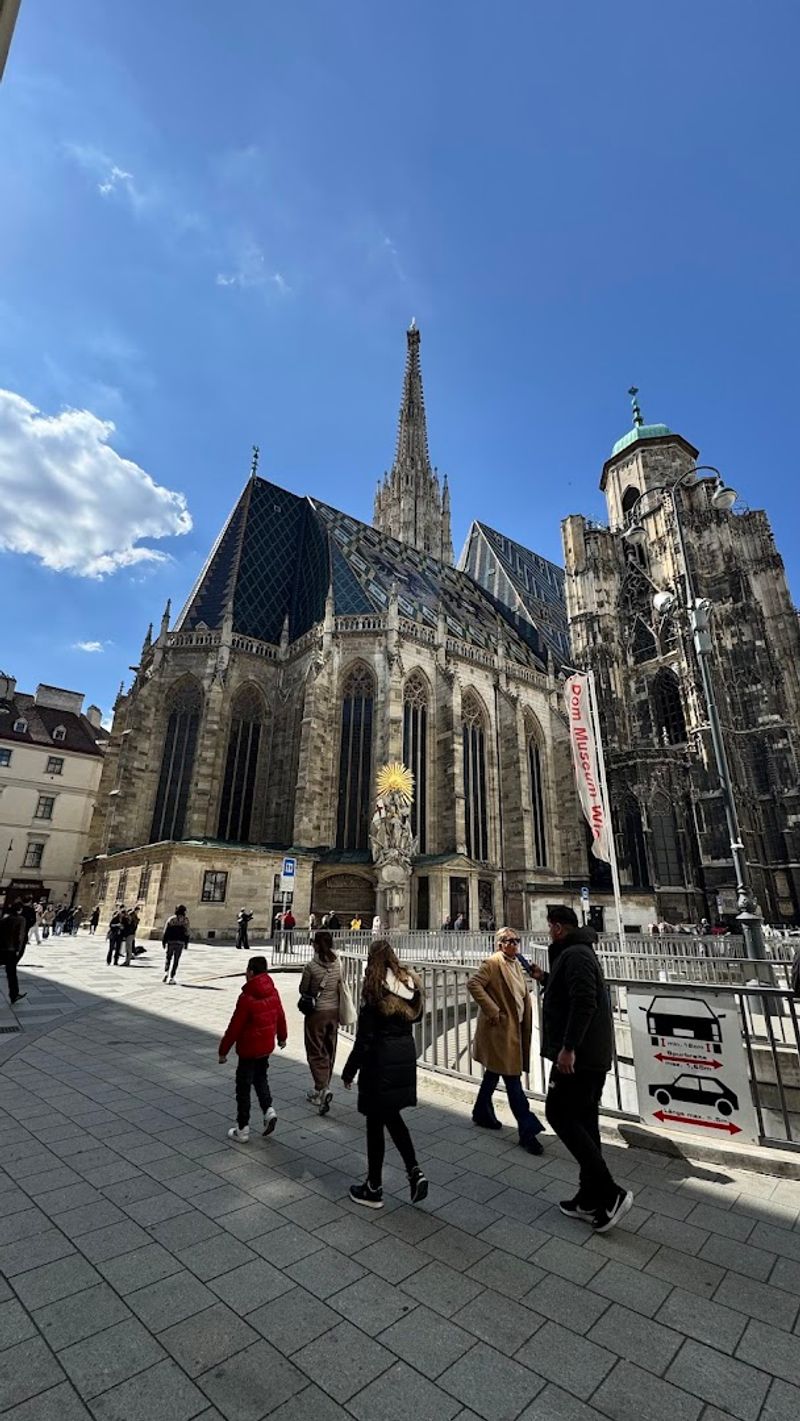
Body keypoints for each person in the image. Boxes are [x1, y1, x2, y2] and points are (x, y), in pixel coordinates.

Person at [531, 905, 633, 1234]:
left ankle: (610, 1192)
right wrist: (544, 978)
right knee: (585, 1122)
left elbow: (584, 1001)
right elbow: (571, 992)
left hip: (580, 1057)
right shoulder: (576, 952)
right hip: (589, 1055)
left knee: (558, 1114)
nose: (548, 932)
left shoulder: (574, 955)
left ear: (559, 928)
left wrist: (568, 1047)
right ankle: (589, 1198)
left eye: (550, 927)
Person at [342, 939, 428, 1209]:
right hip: (403, 1058)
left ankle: (374, 1187)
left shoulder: (375, 991)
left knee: (375, 1125)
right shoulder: (409, 986)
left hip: (379, 1063)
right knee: (392, 1117)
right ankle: (414, 1170)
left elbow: (364, 1040)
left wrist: (348, 1070)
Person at [467, 927, 545, 1154]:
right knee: (513, 1081)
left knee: (493, 1074)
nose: (514, 944)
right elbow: (473, 984)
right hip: (500, 1031)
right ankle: (527, 1130)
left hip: (513, 1030)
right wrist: (493, 1010)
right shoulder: (493, 963)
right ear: (499, 944)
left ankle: (481, 1111)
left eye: (516, 941)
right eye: (509, 941)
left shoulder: (516, 964)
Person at [218, 956, 287, 1142]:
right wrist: (282, 1037)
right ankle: (269, 1111)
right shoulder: (274, 992)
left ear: (251, 972)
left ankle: (242, 1128)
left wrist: (223, 1051)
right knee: (261, 1078)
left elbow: (235, 1027)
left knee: (243, 1088)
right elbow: (280, 1015)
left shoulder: (246, 997)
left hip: (248, 1049)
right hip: (265, 1046)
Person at [300, 930, 343, 1113]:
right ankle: (323, 1086)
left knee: (315, 1050)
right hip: (334, 1012)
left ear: (316, 945)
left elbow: (303, 989)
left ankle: (321, 1088)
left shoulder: (311, 966)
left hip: (317, 1013)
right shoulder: (338, 963)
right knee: (329, 1049)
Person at [0, 901, 27, 1004]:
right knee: (11, 974)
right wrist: (19, 951)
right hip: (11, 950)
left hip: (1, 949)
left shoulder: (4, 919)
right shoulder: (20, 920)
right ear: (19, 910)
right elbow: (20, 936)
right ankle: (14, 995)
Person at [162, 905, 190, 984]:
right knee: (176, 960)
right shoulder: (185, 920)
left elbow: (166, 931)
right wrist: (186, 943)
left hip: (171, 941)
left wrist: (164, 941)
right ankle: (172, 977)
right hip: (180, 942)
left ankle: (166, 972)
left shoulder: (171, 919)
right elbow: (187, 933)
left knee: (168, 957)